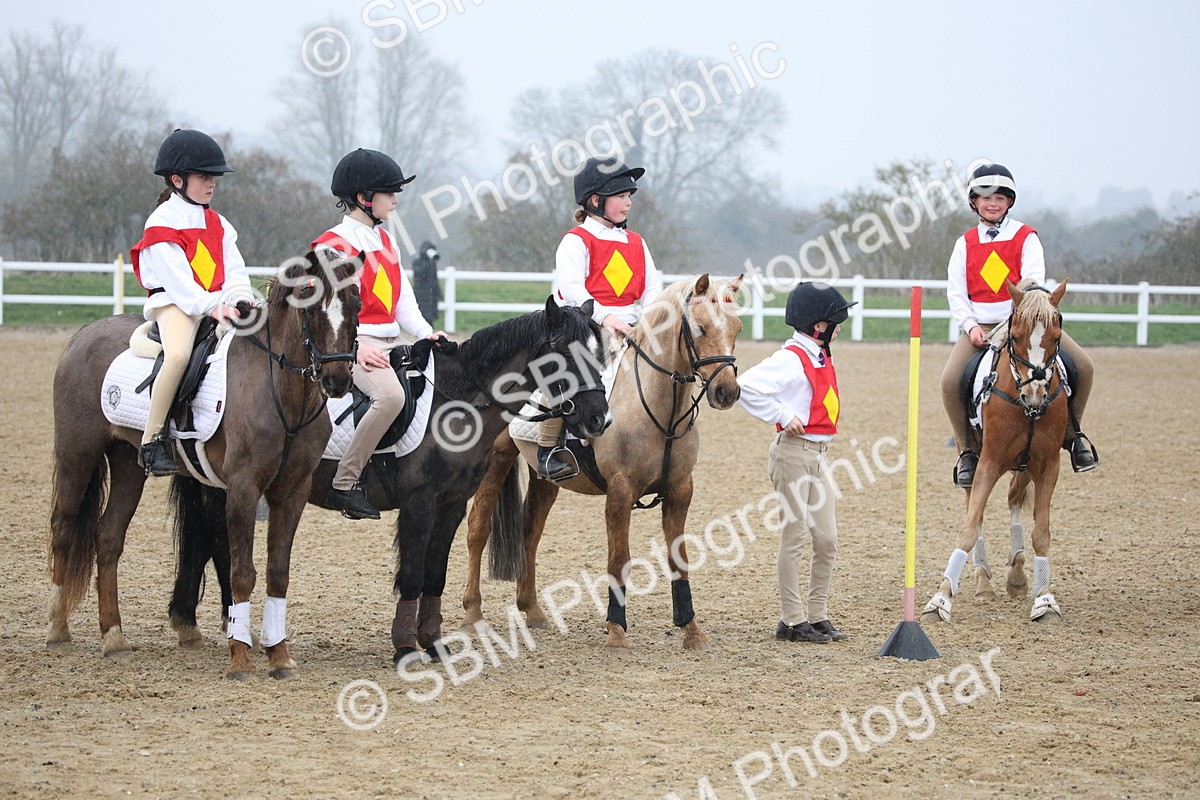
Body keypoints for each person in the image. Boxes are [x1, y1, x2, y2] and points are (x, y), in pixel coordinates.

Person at [941, 163, 1098, 488]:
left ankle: (1073, 435)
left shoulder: (1026, 237)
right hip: (981, 325)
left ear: (1009, 201)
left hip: (1024, 323)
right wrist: (970, 326)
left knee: (1084, 365)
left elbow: (1032, 281)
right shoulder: (964, 243)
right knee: (949, 381)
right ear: (974, 202)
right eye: (986, 198)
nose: (993, 203)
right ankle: (967, 450)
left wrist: (1020, 317)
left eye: (999, 197)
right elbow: (956, 292)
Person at [313, 148, 444, 520]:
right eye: (389, 192)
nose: (396, 199)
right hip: (351, 344)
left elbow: (402, 300)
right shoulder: (332, 246)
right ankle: (345, 482)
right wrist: (355, 350)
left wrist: (426, 333)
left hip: (391, 339)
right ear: (363, 198)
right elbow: (330, 313)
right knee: (389, 397)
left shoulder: (387, 242)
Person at [737, 282, 856, 644]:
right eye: (835, 322)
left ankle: (817, 615)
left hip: (819, 455)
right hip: (792, 453)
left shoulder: (820, 354)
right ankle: (791, 620)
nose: (839, 328)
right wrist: (781, 414)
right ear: (818, 326)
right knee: (795, 536)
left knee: (827, 539)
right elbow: (745, 386)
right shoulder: (790, 358)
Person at [130, 129, 253, 477]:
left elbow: (235, 269)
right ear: (177, 180)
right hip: (175, 304)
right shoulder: (161, 222)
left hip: (215, 303)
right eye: (204, 177)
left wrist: (240, 297)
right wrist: (212, 305)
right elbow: (179, 282)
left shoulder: (219, 223)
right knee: (179, 356)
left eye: (213, 177)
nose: (212, 183)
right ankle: (151, 441)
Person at [539, 156, 663, 479]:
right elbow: (572, 289)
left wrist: (648, 320)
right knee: (570, 371)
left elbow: (652, 288)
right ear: (596, 200)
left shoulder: (637, 242)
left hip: (633, 327)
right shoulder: (575, 241)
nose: (629, 202)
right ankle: (549, 447)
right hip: (586, 325)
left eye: (629, 195)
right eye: (621, 195)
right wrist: (606, 318)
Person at [412, 239, 441, 325]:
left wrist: (438, 291)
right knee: (422, 318)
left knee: (430, 319)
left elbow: (434, 278)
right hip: (421, 295)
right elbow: (418, 273)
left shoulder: (432, 263)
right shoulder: (418, 262)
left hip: (431, 296)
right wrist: (427, 262)